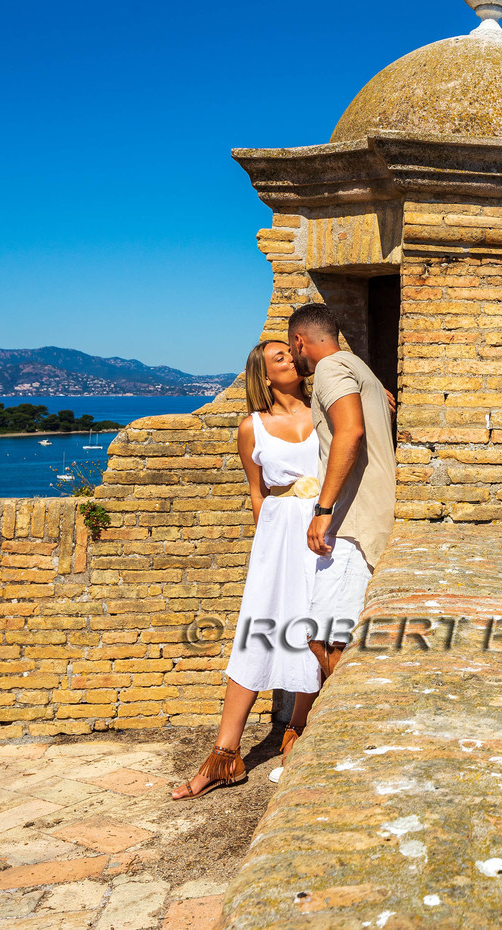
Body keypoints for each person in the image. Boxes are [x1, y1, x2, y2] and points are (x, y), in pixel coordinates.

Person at [172, 340, 323, 800]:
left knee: (315, 627)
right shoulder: (251, 427)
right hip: (278, 535)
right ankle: (224, 755)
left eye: (291, 353)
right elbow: (258, 496)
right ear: (264, 374)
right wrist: (266, 549)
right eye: (280, 357)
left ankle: (296, 733)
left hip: (325, 527)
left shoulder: (326, 410)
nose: (291, 359)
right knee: (259, 631)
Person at [285, 302, 395, 684]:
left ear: (300, 341)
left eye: (290, 346)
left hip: (353, 522)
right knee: (330, 635)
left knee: (328, 640)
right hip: (363, 517)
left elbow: (350, 432)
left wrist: (323, 509)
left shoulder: (330, 369)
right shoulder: (356, 367)